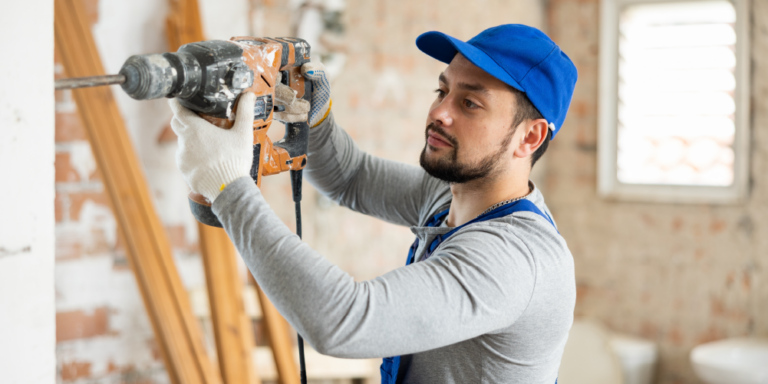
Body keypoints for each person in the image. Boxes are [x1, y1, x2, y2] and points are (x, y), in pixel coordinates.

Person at [169, 24, 578, 384]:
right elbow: (351, 178)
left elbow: (344, 321)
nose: (438, 112)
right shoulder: (451, 194)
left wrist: (228, 186)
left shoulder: (514, 259)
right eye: (443, 90)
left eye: (469, 104)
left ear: (531, 138)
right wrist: (309, 112)